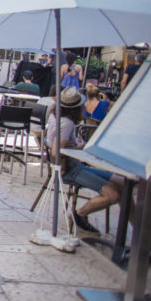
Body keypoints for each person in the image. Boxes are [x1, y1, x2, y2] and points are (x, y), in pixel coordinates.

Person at [47, 87, 122, 234]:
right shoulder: (67, 123)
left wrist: (76, 144)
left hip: (73, 166)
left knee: (122, 182)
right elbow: (56, 151)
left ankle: (138, 228)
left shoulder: (55, 117)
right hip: (70, 170)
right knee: (114, 194)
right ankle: (80, 214)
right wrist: (80, 147)